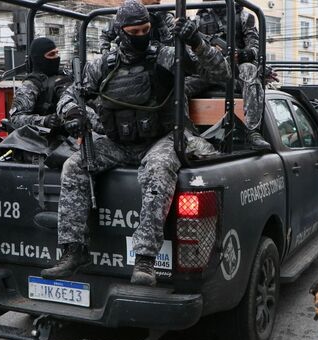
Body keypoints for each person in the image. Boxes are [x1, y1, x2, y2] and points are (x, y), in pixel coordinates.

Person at [41, 0, 230, 286]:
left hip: (162, 138)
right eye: (134, 31)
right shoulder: (103, 64)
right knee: (74, 165)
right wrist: (72, 113)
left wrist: (196, 40)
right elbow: (70, 94)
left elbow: (220, 73)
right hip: (119, 142)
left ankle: (144, 260)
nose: (141, 36)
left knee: (158, 169)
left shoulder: (166, 56)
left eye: (146, 29)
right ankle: (73, 251)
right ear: (120, 32)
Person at [187, 1, 270, 150]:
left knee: (249, 69)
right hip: (209, 70)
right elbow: (189, 48)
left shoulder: (244, 16)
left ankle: (253, 132)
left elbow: (256, 48)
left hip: (235, 72)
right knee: (178, 83)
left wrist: (243, 54)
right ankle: (185, 133)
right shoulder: (198, 18)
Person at [9, 37, 73, 131]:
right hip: (46, 141)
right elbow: (15, 119)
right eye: (51, 54)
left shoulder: (65, 76)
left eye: (56, 53)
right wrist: (44, 121)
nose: (56, 57)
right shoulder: (30, 85)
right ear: (39, 58)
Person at [100, 0, 174, 52]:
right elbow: (105, 36)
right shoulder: (126, 13)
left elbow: (172, 46)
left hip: (156, 61)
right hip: (127, 59)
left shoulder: (165, 16)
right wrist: (105, 53)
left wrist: (161, 25)